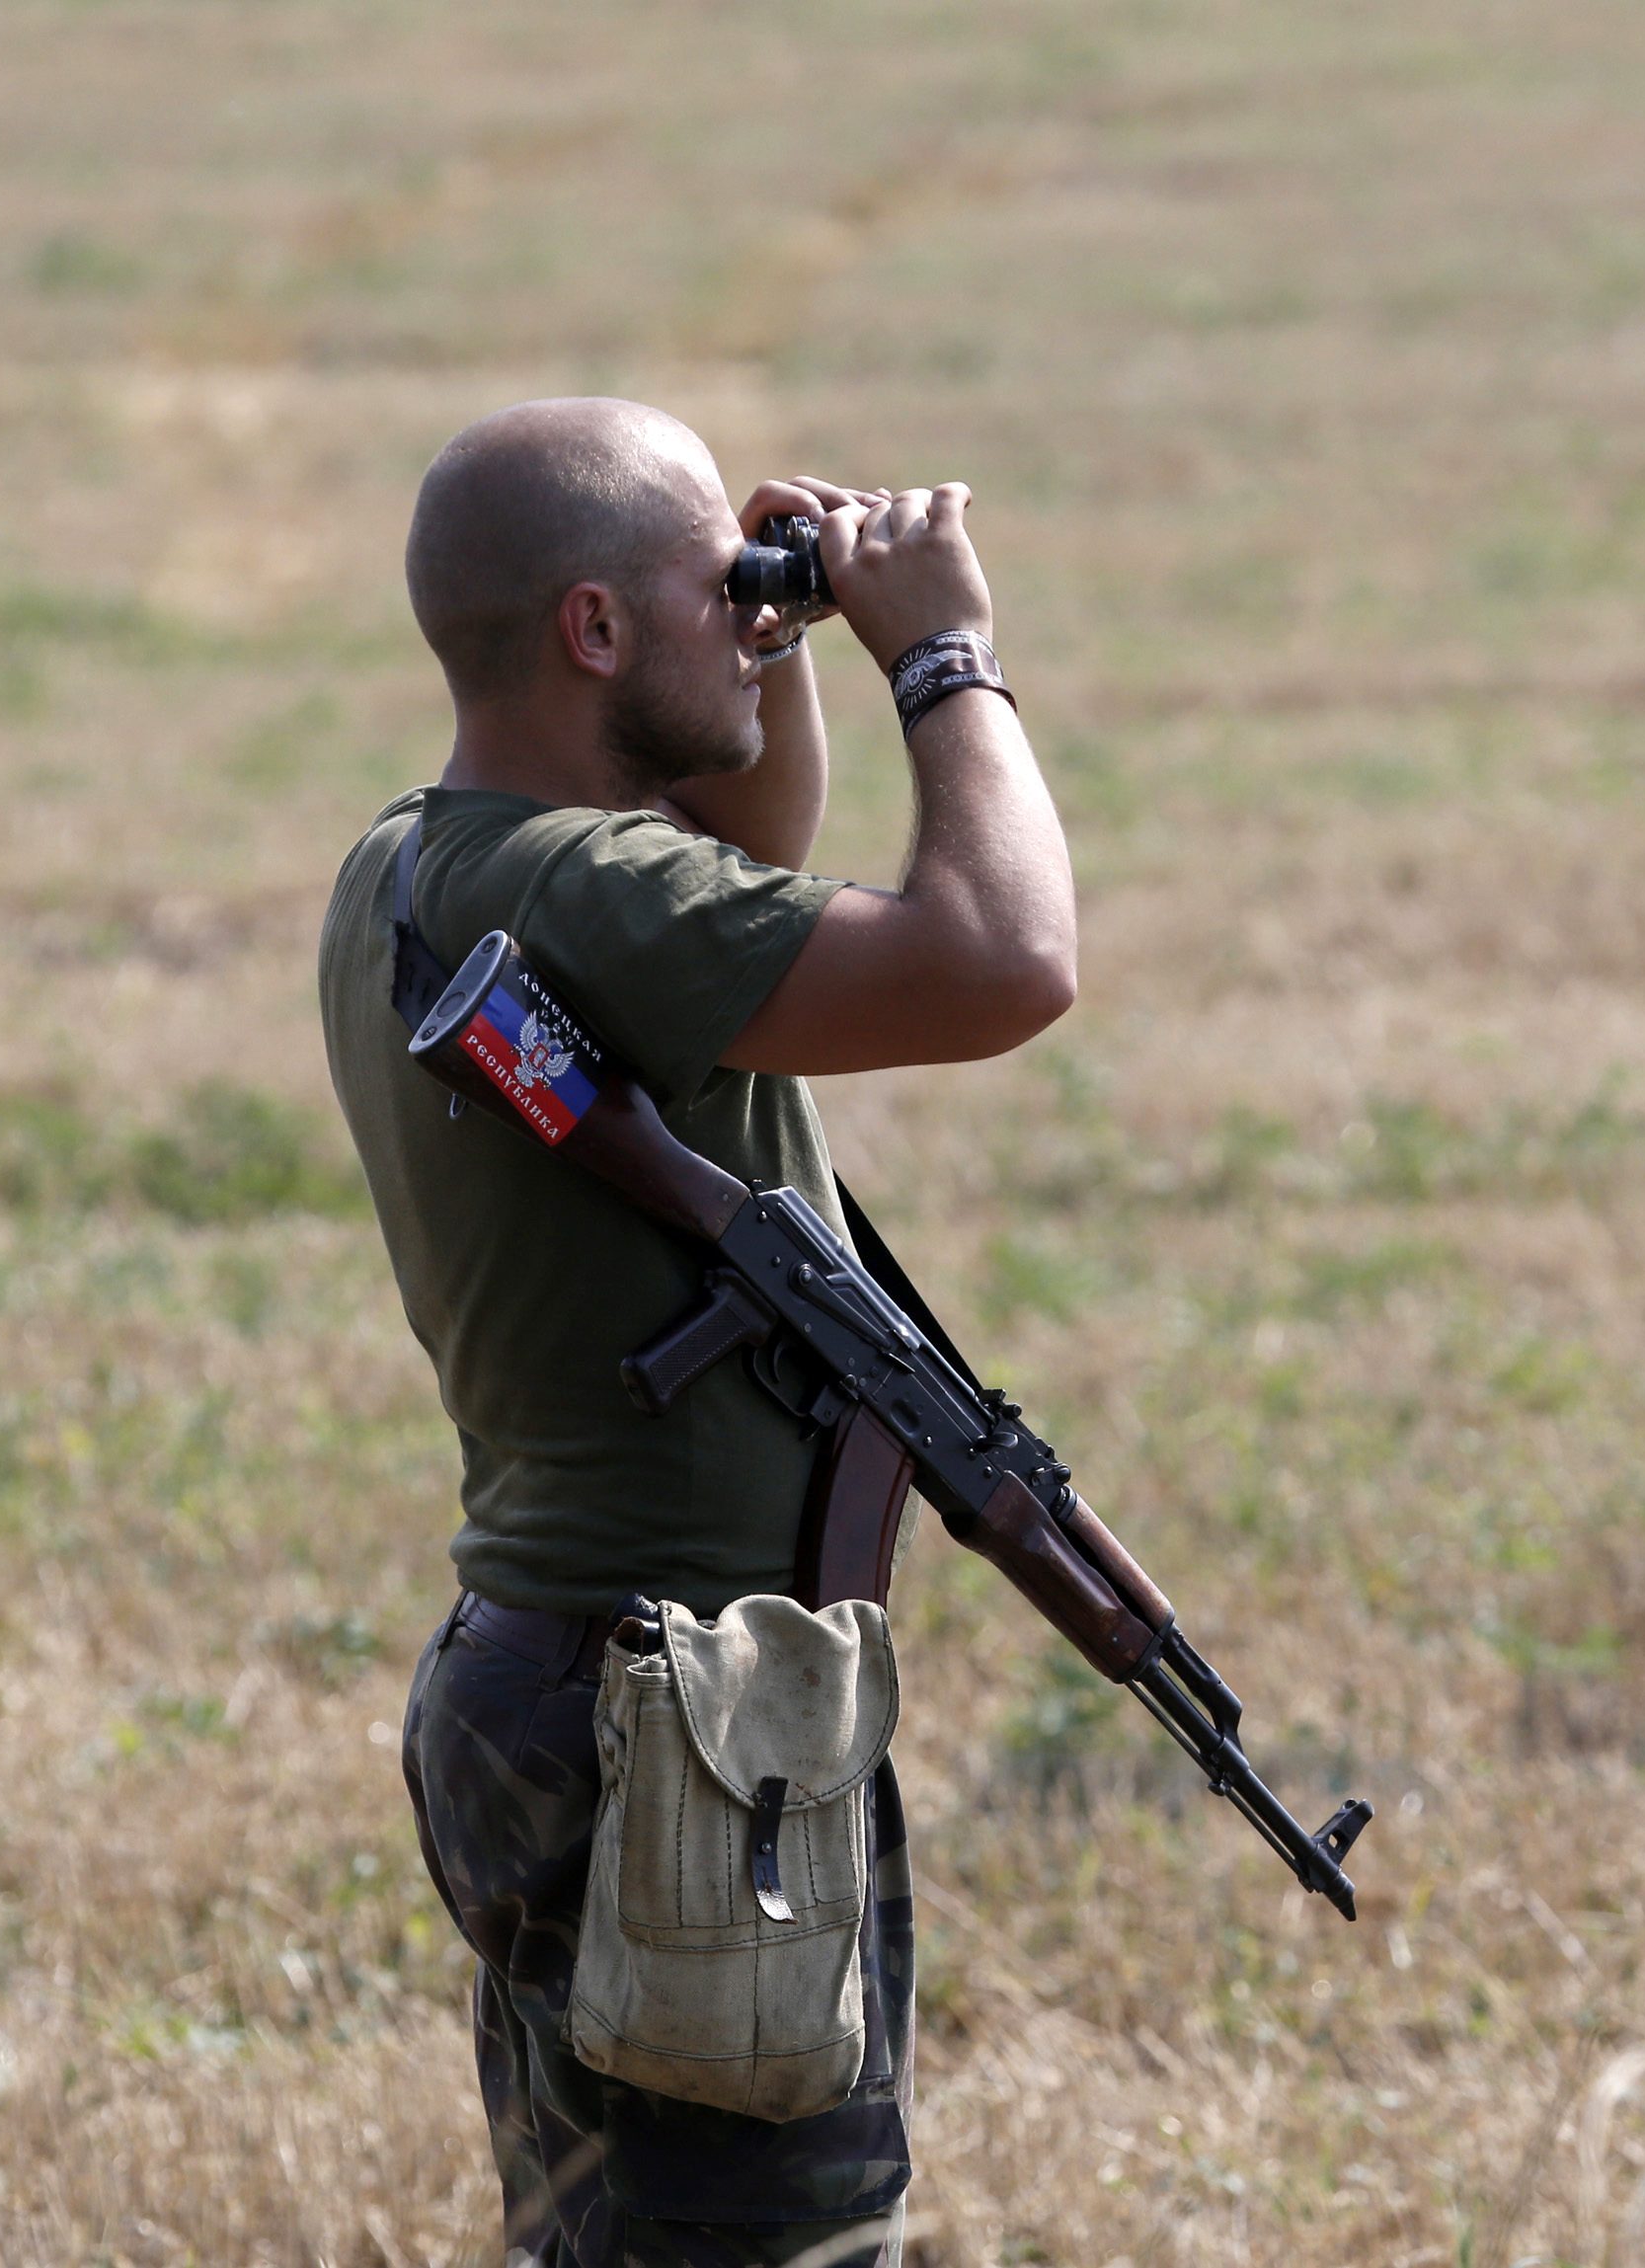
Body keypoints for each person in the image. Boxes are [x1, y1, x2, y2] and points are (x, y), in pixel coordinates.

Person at [317, 399, 1077, 2265]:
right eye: (705, 584)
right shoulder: (586, 889)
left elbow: (735, 857)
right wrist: (946, 660)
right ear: (591, 629)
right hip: (681, 1732)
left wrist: (765, 651)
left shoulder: (422, 866)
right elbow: (1004, 959)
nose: (748, 608)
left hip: (544, 1676)